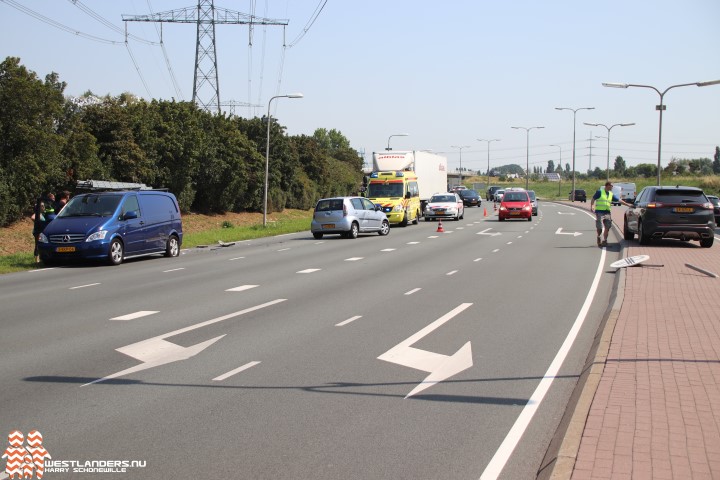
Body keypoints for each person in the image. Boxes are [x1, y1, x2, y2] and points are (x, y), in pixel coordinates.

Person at [590, 181, 632, 247]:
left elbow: (619, 200)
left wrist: (627, 204)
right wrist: (592, 206)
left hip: (607, 212)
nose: (612, 187)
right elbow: (593, 199)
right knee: (600, 227)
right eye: (611, 186)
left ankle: (605, 240)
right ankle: (599, 236)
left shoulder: (611, 194)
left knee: (607, 227)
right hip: (599, 212)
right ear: (607, 186)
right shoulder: (599, 192)